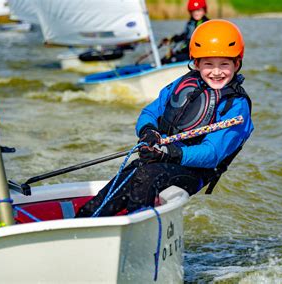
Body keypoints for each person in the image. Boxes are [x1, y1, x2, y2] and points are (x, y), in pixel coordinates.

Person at [76, 19, 253, 217]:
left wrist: (170, 153)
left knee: (147, 176)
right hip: (162, 158)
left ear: (237, 64)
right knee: (118, 185)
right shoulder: (184, 83)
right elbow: (150, 113)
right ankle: (84, 220)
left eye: (225, 64)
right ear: (196, 63)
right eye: (208, 64)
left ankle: (137, 230)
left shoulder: (236, 105)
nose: (217, 71)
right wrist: (148, 132)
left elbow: (212, 153)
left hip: (194, 170)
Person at [160, 0, 209, 64]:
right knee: (164, 59)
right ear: (190, 12)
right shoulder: (191, 23)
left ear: (204, 11)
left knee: (170, 60)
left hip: (196, 55)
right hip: (186, 52)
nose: (196, 13)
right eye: (193, 11)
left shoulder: (207, 24)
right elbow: (184, 36)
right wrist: (171, 39)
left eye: (199, 10)